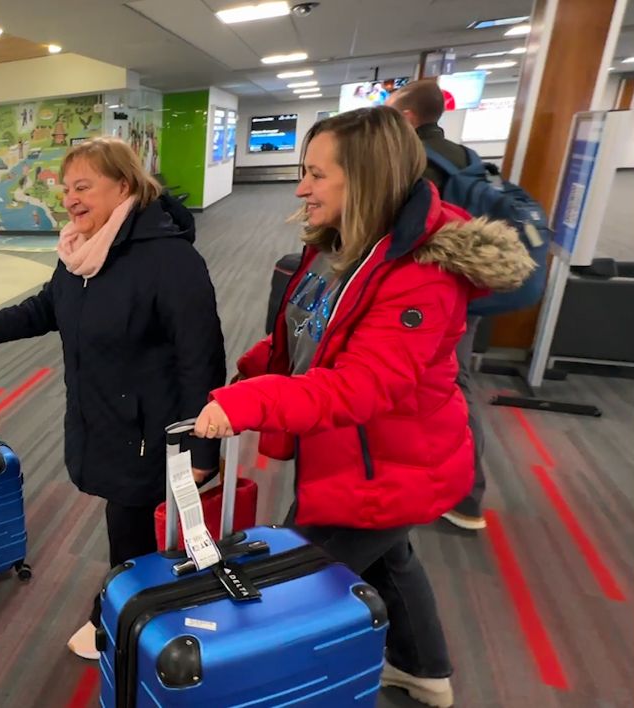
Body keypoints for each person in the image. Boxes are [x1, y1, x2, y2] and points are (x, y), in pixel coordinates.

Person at [193, 107, 534, 707]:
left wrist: (252, 400)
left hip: (386, 466)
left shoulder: (419, 276)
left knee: (294, 578)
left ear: (367, 179)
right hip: (358, 456)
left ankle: (284, 691)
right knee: (391, 561)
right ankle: (423, 668)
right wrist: (255, 369)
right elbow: (311, 334)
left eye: (317, 174)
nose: (301, 188)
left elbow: (361, 386)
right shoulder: (343, 246)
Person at [0, 136, 226, 660]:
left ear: (124, 187)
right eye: (66, 189)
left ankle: (119, 622)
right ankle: (138, 615)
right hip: (101, 416)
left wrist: (203, 447)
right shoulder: (81, 252)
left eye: (83, 187)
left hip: (151, 428)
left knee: (130, 526)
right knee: (130, 523)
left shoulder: (169, 259)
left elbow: (201, 357)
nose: (70, 200)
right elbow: (50, 306)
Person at [387, 79, 487, 531]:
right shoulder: (464, 156)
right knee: (450, 381)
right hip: (464, 285)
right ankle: (457, 489)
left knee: (441, 386)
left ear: (408, 117)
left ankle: (463, 495)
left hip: (431, 292)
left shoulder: (417, 164)